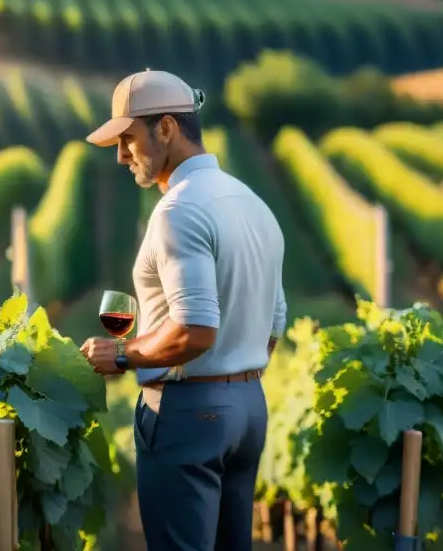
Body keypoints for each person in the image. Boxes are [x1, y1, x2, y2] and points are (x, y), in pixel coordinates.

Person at [79, 69, 287, 551]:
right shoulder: (251, 202)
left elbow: (194, 330)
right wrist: (235, 378)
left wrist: (124, 355)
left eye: (128, 138)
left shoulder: (179, 211)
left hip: (189, 414)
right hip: (247, 410)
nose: (121, 155)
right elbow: (274, 323)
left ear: (167, 128)